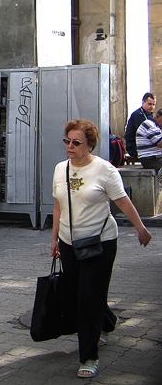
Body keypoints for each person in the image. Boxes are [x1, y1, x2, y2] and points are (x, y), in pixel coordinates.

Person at [51, 119, 152, 379]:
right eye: (67, 141)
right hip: (69, 242)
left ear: (90, 145)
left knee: (86, 299)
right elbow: (58, 206)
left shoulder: (105, 170)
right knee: (80, 292)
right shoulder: (60, 169)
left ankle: (89, 356)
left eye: (76, 142)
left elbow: (123, 201)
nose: (70, 147)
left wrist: (141, 228)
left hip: (100, 243)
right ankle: (107, 321)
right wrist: (54, 240)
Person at [123, 92, 155, 161]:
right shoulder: (138, 115)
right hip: (134, 146)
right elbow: (147, 132)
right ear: (143, 103)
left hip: (143, 144)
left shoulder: (150, 115)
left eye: (153, 104)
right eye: (149, 104)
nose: (152, 107)